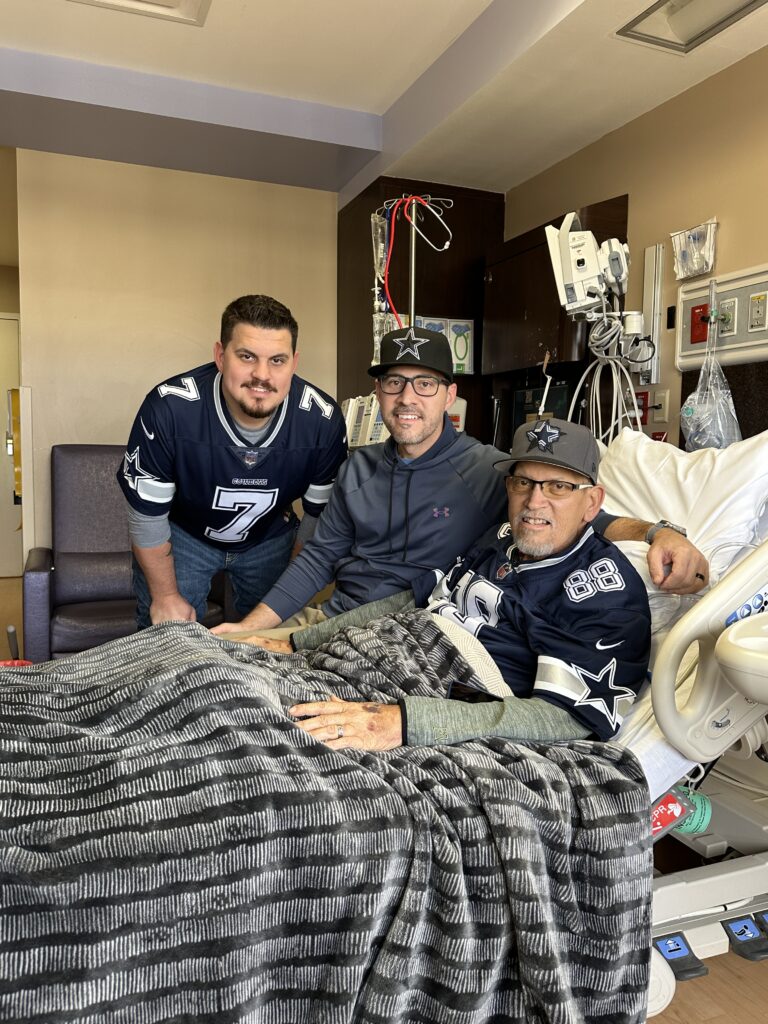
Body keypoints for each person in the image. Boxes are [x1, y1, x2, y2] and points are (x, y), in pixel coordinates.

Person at [212, 326, 707, 646]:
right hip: (329, 622)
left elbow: (577, 519)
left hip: (408, 634)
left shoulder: (490, 472)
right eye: (393, 383)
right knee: (206, 659)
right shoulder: (356, 469)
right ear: (378, 394)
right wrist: (253, 626)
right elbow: (318, 560)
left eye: (425, 384)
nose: (408, 398)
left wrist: (658, 533)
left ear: (449, 395)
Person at [289, 416, 651, 750]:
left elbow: (561, 717)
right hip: (378, 657)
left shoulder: (605, 596)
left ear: (592, 502)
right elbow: (412, 600)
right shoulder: (501, 537)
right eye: (523, 482)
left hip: (443, 703)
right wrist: (296, 643)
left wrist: (406, 722)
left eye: (557, 486)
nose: (534, 501)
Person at [118, 294, 347, 628]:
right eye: (246, 356)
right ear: (220, 356)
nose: (262, 375)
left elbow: (316, 519)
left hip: (269, 535)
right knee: (167, 637)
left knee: (273, 641)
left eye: (277, 360)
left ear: (294, 363)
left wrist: (289, 598)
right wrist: (166, 596)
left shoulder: (322, 422)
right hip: (185, 534)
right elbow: (146, 515)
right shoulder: (168, 410)